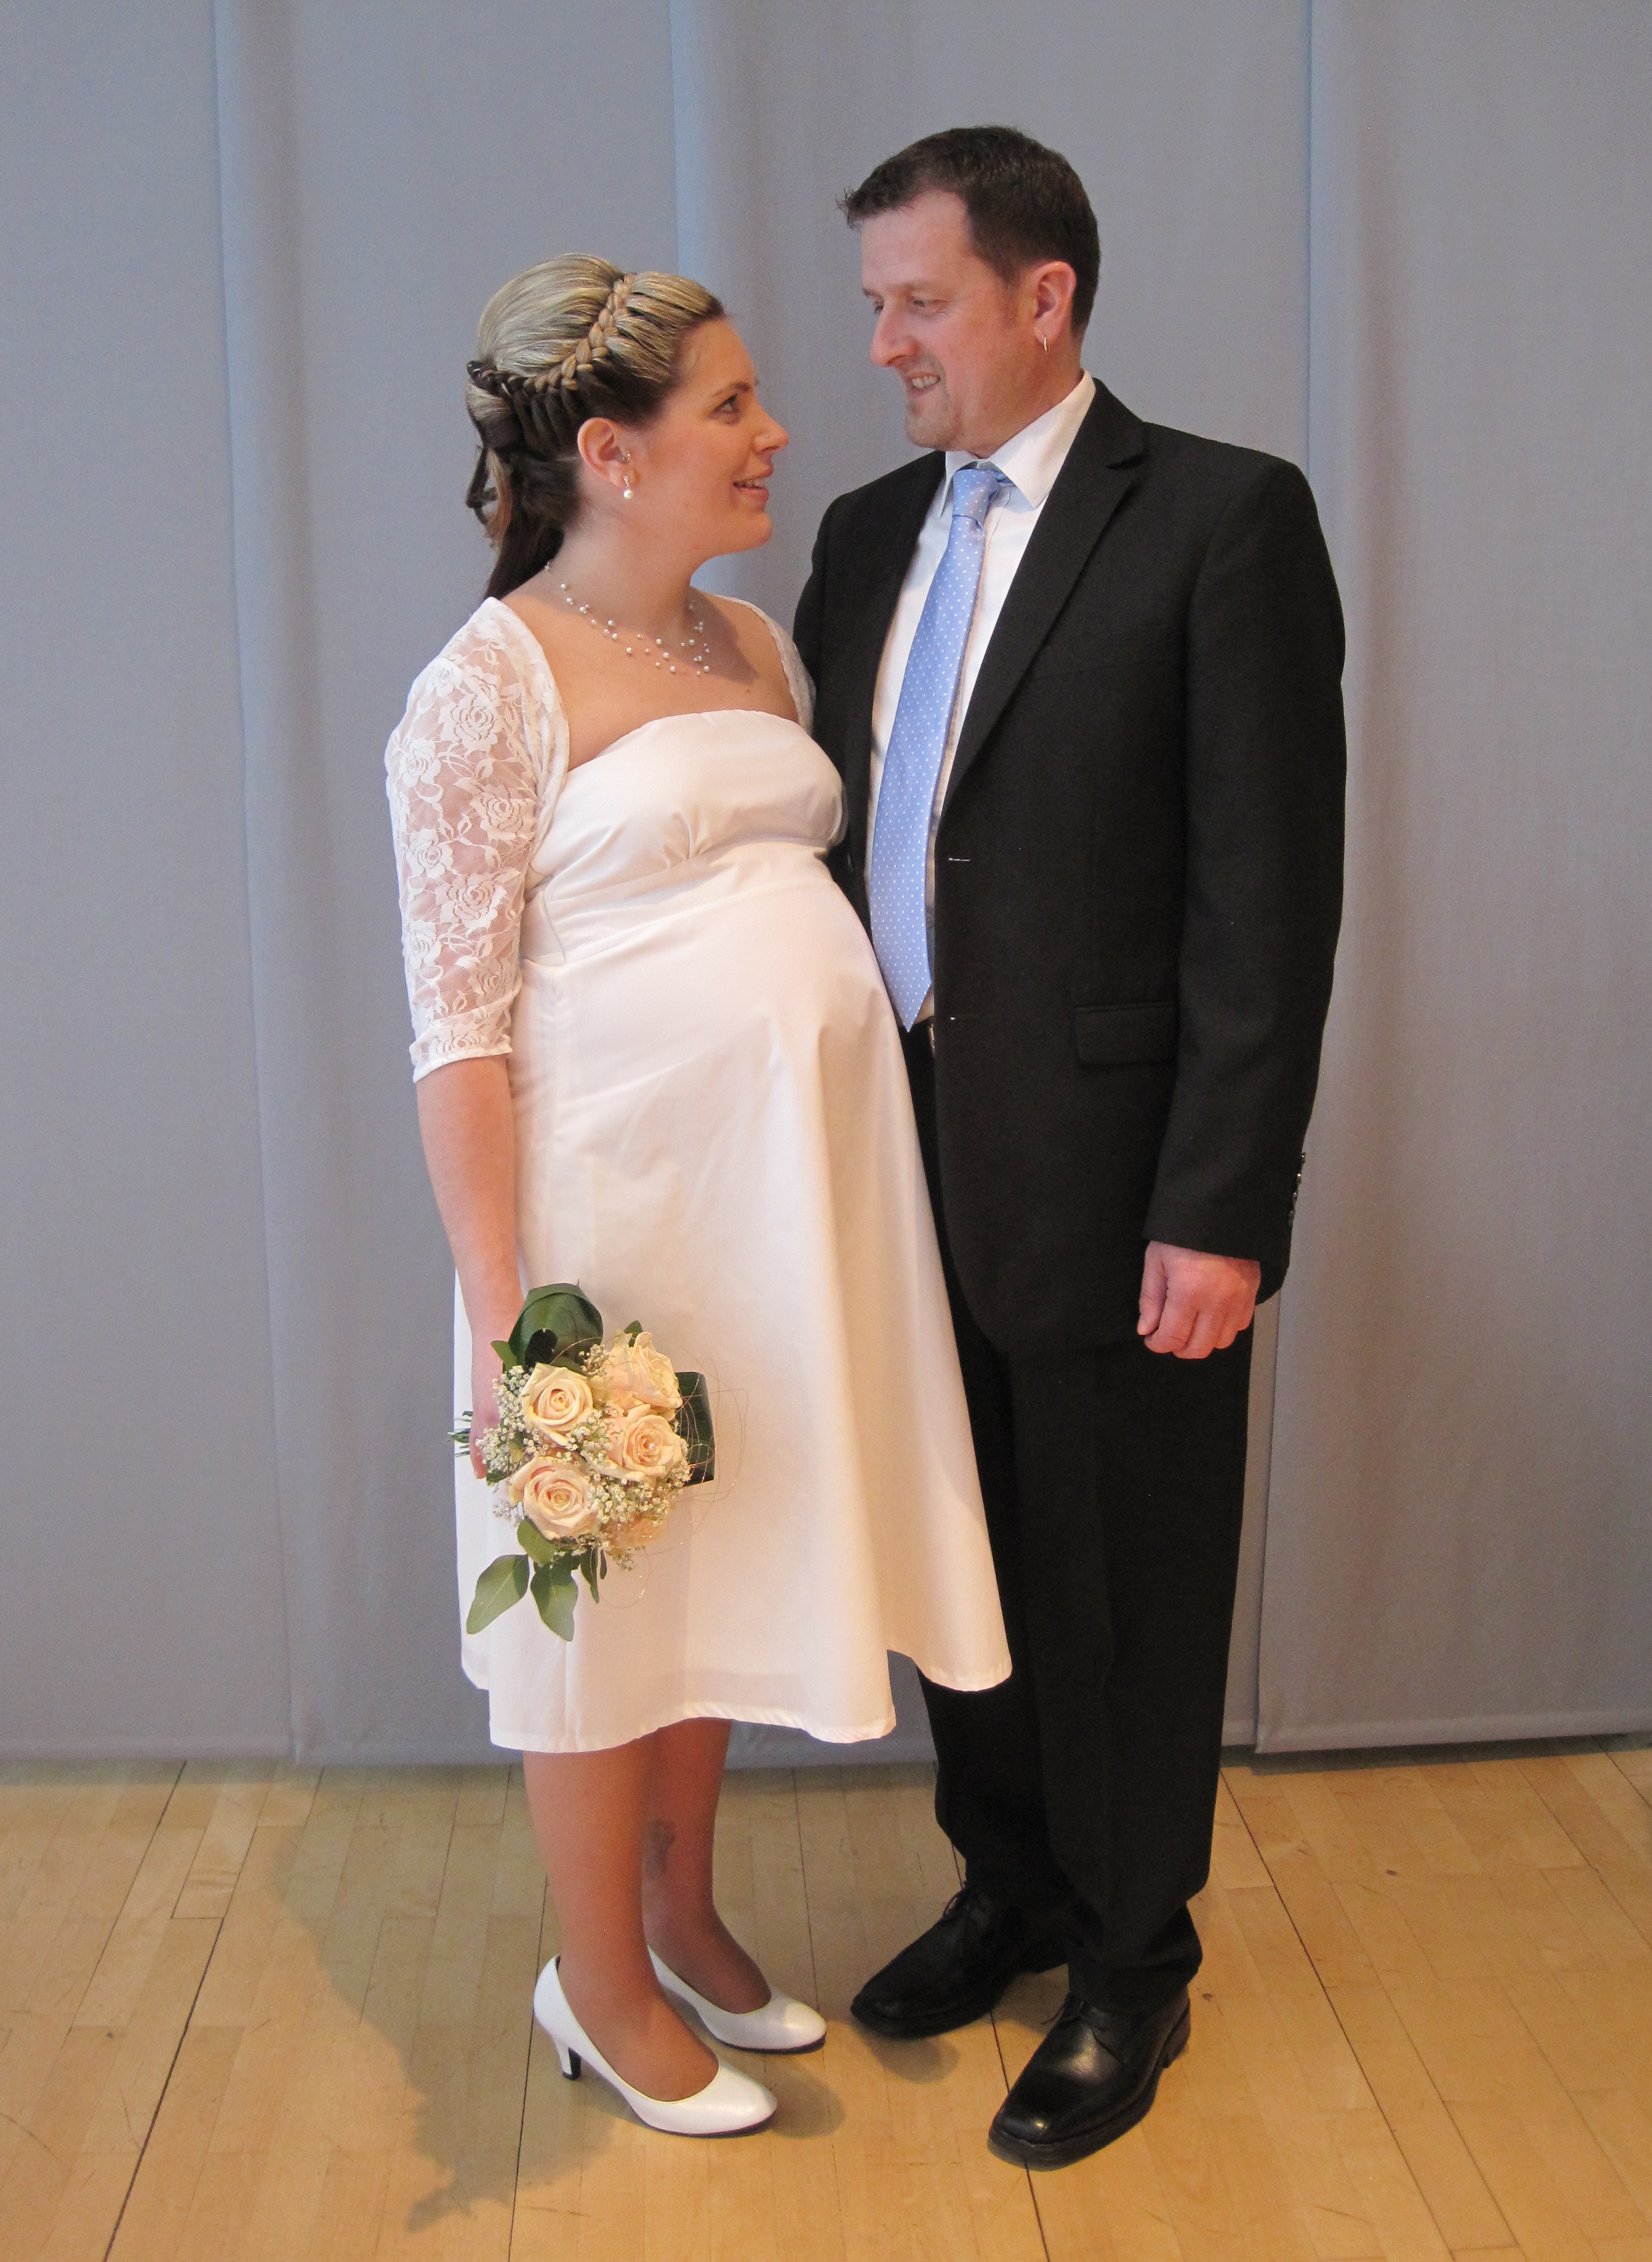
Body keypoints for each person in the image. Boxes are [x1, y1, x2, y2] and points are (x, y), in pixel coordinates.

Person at [385, 257, 1010, 2140]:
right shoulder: (485, 687)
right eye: (731, 406)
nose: (775, 431)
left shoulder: (753, 647)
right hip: (605, 1226)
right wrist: (501, 1308)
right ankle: (593, 1986)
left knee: (710, 1574)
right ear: (611, 452)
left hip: (773, 1220)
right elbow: (456, 1032)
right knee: (603, 1609)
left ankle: (680, 1916)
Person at [793, 128, 1346, 2168]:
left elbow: (1266, 902)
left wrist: (1223, 1204)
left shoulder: (1218, 518)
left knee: (1122, 1577)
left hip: (1123, 1177)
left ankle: (1130, 1957)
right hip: (898, 1152)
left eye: (920, 301)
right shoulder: (865, 532)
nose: (885, 343)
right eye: (874, 304)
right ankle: (1010, 1880)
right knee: (965, 1545)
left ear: (1046, 297)